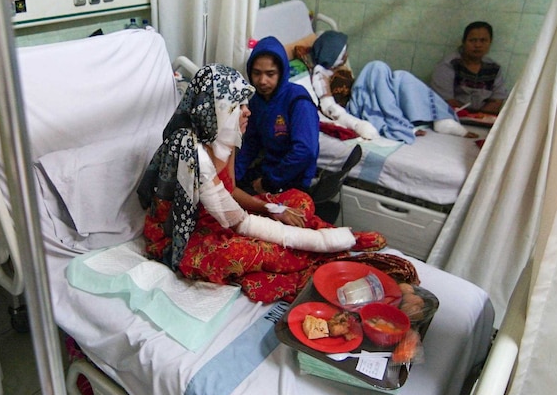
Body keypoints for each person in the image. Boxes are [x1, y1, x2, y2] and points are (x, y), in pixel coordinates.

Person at [136, 64, 402, 304]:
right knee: (243, 252)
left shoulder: (225, 141)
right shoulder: (192, 153)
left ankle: (306, 240)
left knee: (300, 201)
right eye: (238, 106)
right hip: (189, 233)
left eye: (246, 104)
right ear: (216, 109)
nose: (247, 112)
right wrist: (320, 239)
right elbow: (237, 221)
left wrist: (272, 210)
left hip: (227, 215)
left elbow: (232, 193)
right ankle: (321, 247)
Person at [288, 31, 476, 144]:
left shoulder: (337, 68)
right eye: (344, 52)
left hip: (360, 96)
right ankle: (399, 126)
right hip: (356, 107)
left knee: (402, 77)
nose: (347, 56)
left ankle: (441, 118)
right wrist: (357, 125)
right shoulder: (321, 74)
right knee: (375, 68)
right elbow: (330, 108)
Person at [235, 35, 320, 195]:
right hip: (269, 171)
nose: (262, 81)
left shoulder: (298, 101)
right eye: (257, 73)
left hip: (294, 180)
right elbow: (251, 144)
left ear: (281, 73)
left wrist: (269, 182)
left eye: (270, 74)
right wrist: (234, 175)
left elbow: (305, 151)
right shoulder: (257, 102)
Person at [430, 21, 508, 114]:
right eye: (472, 40)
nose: (478, 45)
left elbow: (497, 101)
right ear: (464, 42)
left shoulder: (494, 68)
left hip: (482, 121)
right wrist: (468, 117)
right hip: (451, 118)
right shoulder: (448, 65)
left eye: (483, 40)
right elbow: (445, 100)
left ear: (490, 43)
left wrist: (479, 117)